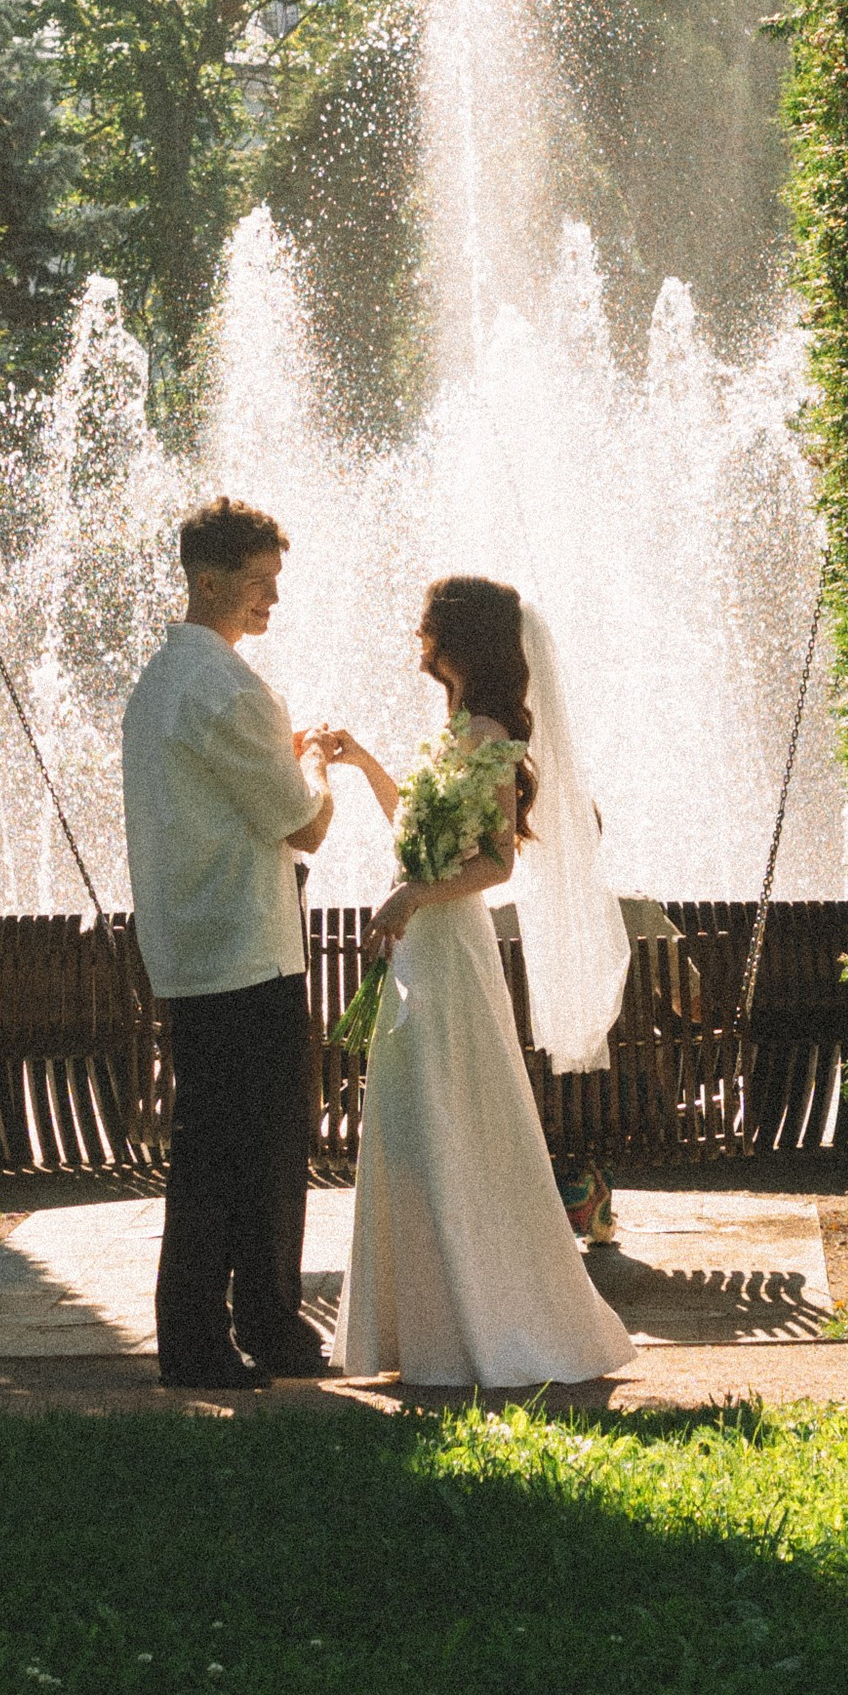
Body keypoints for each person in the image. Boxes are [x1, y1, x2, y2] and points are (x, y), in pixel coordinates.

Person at [317, 575, 635, 1391]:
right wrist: (363, 766)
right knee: (408, 1125)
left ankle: (479, 1322)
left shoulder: (492, 731)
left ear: (456, 637)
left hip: (451, 949)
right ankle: (420, 1328)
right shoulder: (455, 725)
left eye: (426, 624)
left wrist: (414, 896)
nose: (415, 635)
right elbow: (416, 833)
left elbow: (493, 861)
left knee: (449, 1120)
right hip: (420, 945)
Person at [121, 497, 335, 1392]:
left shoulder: (160, 686)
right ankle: (225, 1336)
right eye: (258, 585)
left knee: (217, 1145)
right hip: (248, 952)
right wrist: (317, 761)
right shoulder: (231, 690)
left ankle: (241, 1329)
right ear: (208, 582)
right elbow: (303, 824)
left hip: (193, 946)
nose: (271, 603)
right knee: (257, 1152)